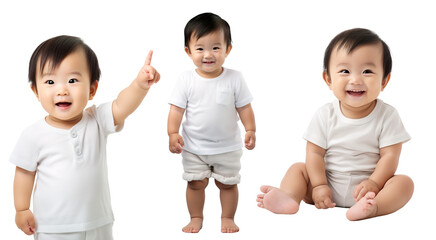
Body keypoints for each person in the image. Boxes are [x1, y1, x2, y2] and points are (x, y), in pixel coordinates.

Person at [10, 35, 160, 239]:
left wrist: (140, 85)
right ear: (36, 91)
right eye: (50, 81)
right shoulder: (33, 135)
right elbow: (24, 174)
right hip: (53, 228)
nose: (62, 90)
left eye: (72, 80)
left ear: (92, 89)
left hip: (98, 223)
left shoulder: (97, 120)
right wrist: (21, 209)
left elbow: (122, 105)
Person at [256, 28, 414, 221]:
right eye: (345, 71)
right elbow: (314, 153)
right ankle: (290, 196)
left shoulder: (388, 115)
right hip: (325, 185)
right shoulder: (325, 114)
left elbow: (390, 156)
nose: (355, 79)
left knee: (404, 183)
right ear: (328, 79)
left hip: (371, 190)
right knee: (298, 169)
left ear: (384, 80)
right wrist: (319, 185)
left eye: (367, 71)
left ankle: (373, 208)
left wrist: (374, 182)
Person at [168, 12, 256, 233]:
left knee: (227, 184)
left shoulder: (235, 78)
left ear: (228, 49)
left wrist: (250, 129)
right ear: (188, 51)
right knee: (195, 183)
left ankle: (227, 217)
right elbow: (176, 109)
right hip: (194, 147)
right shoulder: (186, 80)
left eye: (216, 48)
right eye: (200, 48)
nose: (208, 54)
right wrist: (172, 133)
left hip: (227, 147)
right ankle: (196, 217)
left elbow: (244, 107)